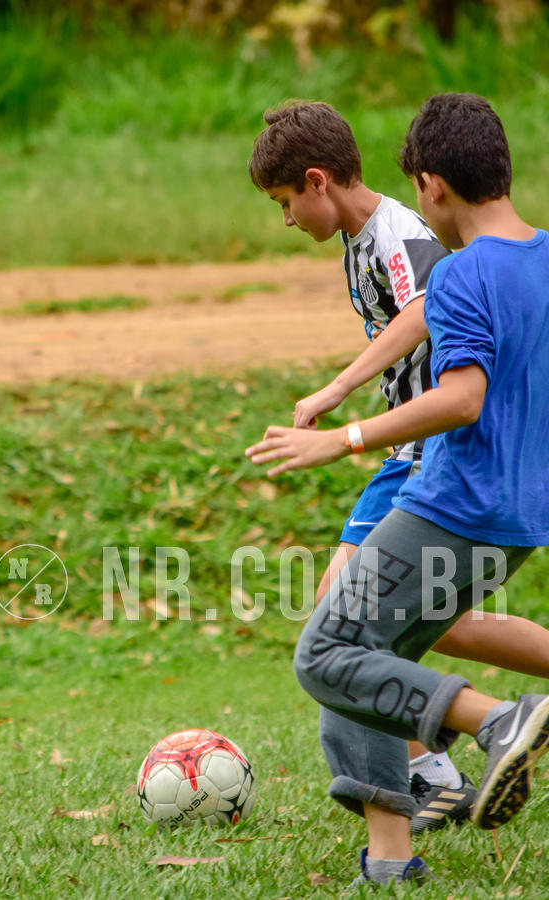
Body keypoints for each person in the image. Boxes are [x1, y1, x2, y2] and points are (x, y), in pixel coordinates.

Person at [246, 92, 549, 887]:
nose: (285, 218)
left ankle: (498, 721)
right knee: (368, 647)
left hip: (449, 494)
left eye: (284, 203)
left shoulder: (449, 270)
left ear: (430, 185)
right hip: (518, 518)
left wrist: (337, 433)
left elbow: (462, 396)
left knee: (330, 650)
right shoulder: (542, 258)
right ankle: (391, 861)